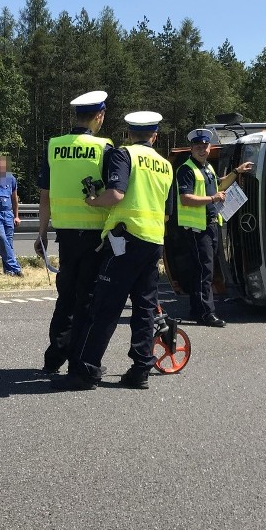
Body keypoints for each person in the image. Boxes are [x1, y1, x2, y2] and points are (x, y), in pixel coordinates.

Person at [65, 111, 174, 391]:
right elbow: (167, 211)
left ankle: (86, 371)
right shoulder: (165, 164)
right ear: (155, 135)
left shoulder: (124, 155)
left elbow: (116, 194)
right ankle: (140, 370)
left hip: (125, 240)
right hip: (153, 241)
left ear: (128, 133)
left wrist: (92, 201)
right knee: (145, 307)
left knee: (105, 306)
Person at [36, 90, 113, 375]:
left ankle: (53, 358)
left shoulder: (54, 146)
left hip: (65, 235)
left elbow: (45, 195)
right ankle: (79, 361)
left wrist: (42, 232)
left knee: (66, 297)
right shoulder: (105, 147)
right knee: (88, 299)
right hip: (94, 236)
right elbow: (114, 192)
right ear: (99, 116)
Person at [176, 128, 255, 327]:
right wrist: (213, 198)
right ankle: (206, 314)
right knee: (205, 272)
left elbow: (219, 186)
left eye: (205, 146)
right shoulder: (186, 169)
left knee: (200, 271)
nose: (202, 150)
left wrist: (236, 171)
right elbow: (185, 199)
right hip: (196, 228)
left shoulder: (207, 167)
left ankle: (197, 309)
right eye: (198, 147)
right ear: (191, 149)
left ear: (209, 147)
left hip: (209, 225)